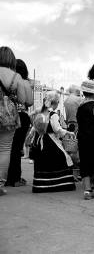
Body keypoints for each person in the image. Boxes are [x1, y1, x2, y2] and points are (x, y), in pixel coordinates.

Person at [0, 47, 33, 195]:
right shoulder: (16, 77)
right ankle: (0, 184)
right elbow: (23, 100)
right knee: (5, 149)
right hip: (8, 116)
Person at [31, 91, 76, 193]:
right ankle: (60, 184)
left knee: (42, 162)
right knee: (62, 158)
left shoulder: (41, 113)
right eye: (58, 102)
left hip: (40, 141)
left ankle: (41, 185)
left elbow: (34, 128)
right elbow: (57, 129)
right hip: (51, 141)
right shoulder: (53, 114)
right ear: (54, 103)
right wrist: (69, 132)